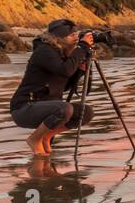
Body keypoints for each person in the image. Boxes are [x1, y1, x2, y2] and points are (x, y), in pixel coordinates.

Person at [9, 19, 96, 155]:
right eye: (72, 36)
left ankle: (46, 136)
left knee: (85, 112)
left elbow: (63, 86)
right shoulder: (44, 51)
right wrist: (82, 48)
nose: (76, 39)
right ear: (59, 38)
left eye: (77, 35)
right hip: (25, 107)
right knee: (64, 109)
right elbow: (65, 70)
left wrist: (80, 70)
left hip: (47, 108)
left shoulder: (62, 54)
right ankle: (35, 139)